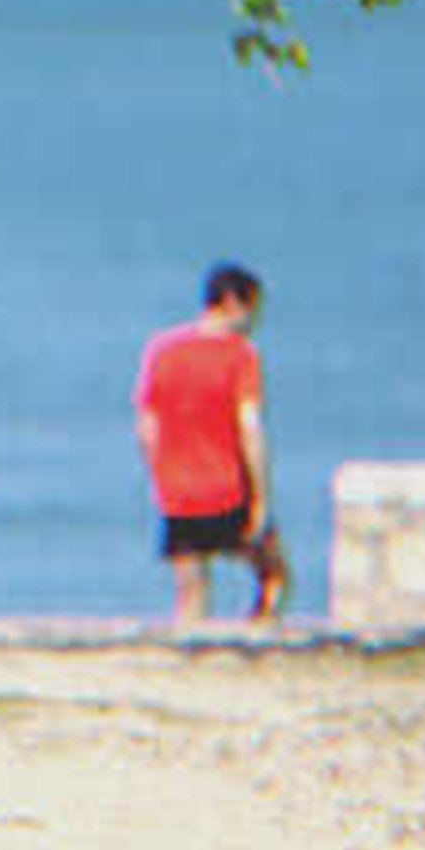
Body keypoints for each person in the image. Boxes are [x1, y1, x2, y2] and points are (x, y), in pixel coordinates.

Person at [133, 260, 288, 623]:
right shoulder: (241, 355)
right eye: (253, 310)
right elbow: (250, 428)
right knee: (274, 577)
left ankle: (188, 666)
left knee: (190, 591)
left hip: (178, 492)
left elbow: (146, 427)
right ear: (234, 303)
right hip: (228, 487)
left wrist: (162, 476)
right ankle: (258, 645)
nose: (255, 321)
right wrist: (262, 500)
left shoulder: (162, 351)